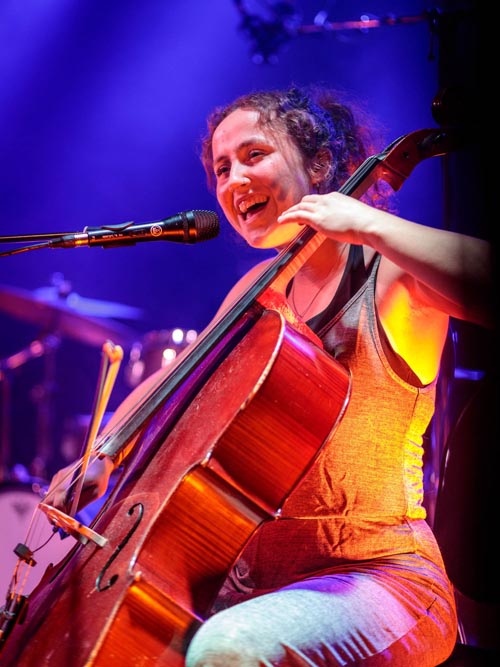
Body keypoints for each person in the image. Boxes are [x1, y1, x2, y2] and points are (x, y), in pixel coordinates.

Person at [45, 85, 493, 666]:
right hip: (253, 578)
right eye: (221, 169)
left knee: (229, 649)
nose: (232, 182)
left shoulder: (391, 274)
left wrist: (367, 224)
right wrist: (104, 450)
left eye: (254, 156)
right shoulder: (258, 291)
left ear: (320, 164)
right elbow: (177, 377)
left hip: (379, 576)